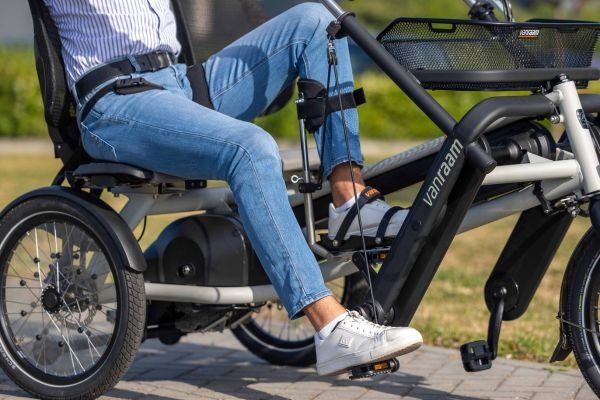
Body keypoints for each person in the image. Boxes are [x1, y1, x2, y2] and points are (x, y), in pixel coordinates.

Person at [43, 0, 422, 376]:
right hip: (117, 103)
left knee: (318, 20)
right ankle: (329, 328)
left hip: (181, 83)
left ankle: (348, 203)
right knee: (251, 149)